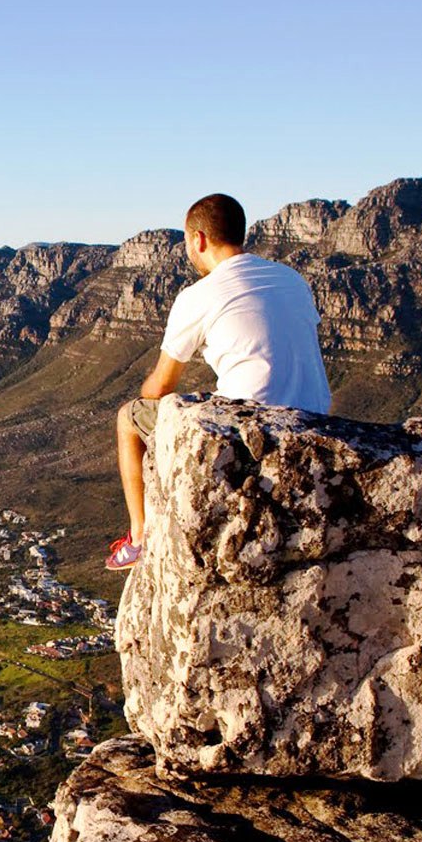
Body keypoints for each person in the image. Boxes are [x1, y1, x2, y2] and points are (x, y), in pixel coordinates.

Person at [106, 193, 331, 570]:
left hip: (251, 429)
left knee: (128, 417)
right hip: (315, 421)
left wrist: (151, 397)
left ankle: (139, 538)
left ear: (198, 240)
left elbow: (160, 387)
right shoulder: (292, 279)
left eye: (187, 243)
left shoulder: (199, 296)